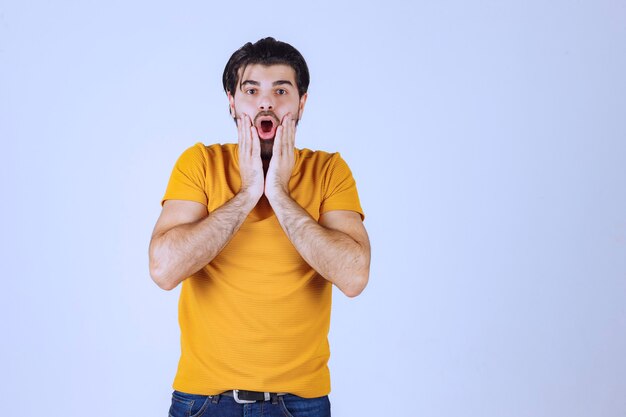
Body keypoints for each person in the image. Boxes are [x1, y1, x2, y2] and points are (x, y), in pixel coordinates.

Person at [149, 37, 371, 417]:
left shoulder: (329, 170)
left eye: (280, 90)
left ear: (301, 103)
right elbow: (164, 270)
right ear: (232, 102)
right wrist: (249, 191)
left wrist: (280, 195)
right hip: (204, 402)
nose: (265, 102)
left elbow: (354, 277)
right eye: (251, 90)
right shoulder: (200, 163)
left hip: (300, 404)